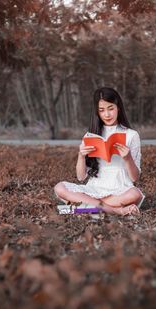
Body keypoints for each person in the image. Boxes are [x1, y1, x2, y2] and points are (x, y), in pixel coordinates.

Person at [54, 87, 145, 215]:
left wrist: (127, 158)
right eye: (101, 110)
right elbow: (81, 177)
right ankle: (116, 210)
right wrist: (81, 155)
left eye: (111, 108)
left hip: (120, 189)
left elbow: (135, 178)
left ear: (118, 108)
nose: (107, 115)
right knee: (59, 187)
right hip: (94, 188)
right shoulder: (90, 135)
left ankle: (90, 206)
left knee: (134, 194)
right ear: (97, 112)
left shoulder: (132, 135)